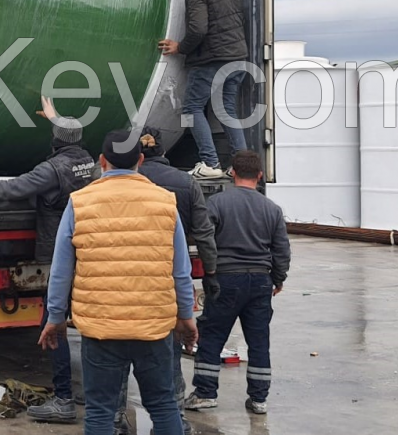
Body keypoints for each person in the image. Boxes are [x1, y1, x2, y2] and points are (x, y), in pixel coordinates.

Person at [39, 130, 198, 435]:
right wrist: (186, 317)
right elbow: (181, 270)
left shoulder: (80, 202)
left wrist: (55, 318)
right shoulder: (165, 202)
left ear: (102, 161)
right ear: (140, 160)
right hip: (153, 326)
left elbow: (61, 270)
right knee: (164, 405)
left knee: (100, 411)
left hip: (101, 328)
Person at [0, 112, 96, 424]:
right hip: (88, 250)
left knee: (52, 323)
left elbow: (13, 188)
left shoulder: (51, 169)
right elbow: (67, 138)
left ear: (55, 141)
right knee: (90, 322)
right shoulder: (88, 162)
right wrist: (56, 118)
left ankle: (64, 398)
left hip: (60, 255)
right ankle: (93, 389)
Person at [112, 126, 219, 435]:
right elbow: (204, 233)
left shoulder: (124, 184)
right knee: (167, 354)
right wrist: (210, 273)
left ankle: (116, 417)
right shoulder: (185, 183)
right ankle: (175, 419)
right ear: (163, 151)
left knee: (116, 354)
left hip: (123, 277)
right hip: (166, 280)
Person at [185, 150, 291, 415]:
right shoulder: (273, 210)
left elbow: (203, 238)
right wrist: (278, 279)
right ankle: (259, 399)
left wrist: (210, 272)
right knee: (258, 340)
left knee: (212, 335)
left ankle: (206, 393)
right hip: (260, 281)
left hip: (225, 279)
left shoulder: (218, 203)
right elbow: (281, 250)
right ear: (259, 175)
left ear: (232, 173)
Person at [158, 0, 248, 181]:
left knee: (192, 108)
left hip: (211, 60)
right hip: (238, 57)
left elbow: (198, 29)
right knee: (227, 110)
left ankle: (210, 162)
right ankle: (241, 166)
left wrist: (181, 47)